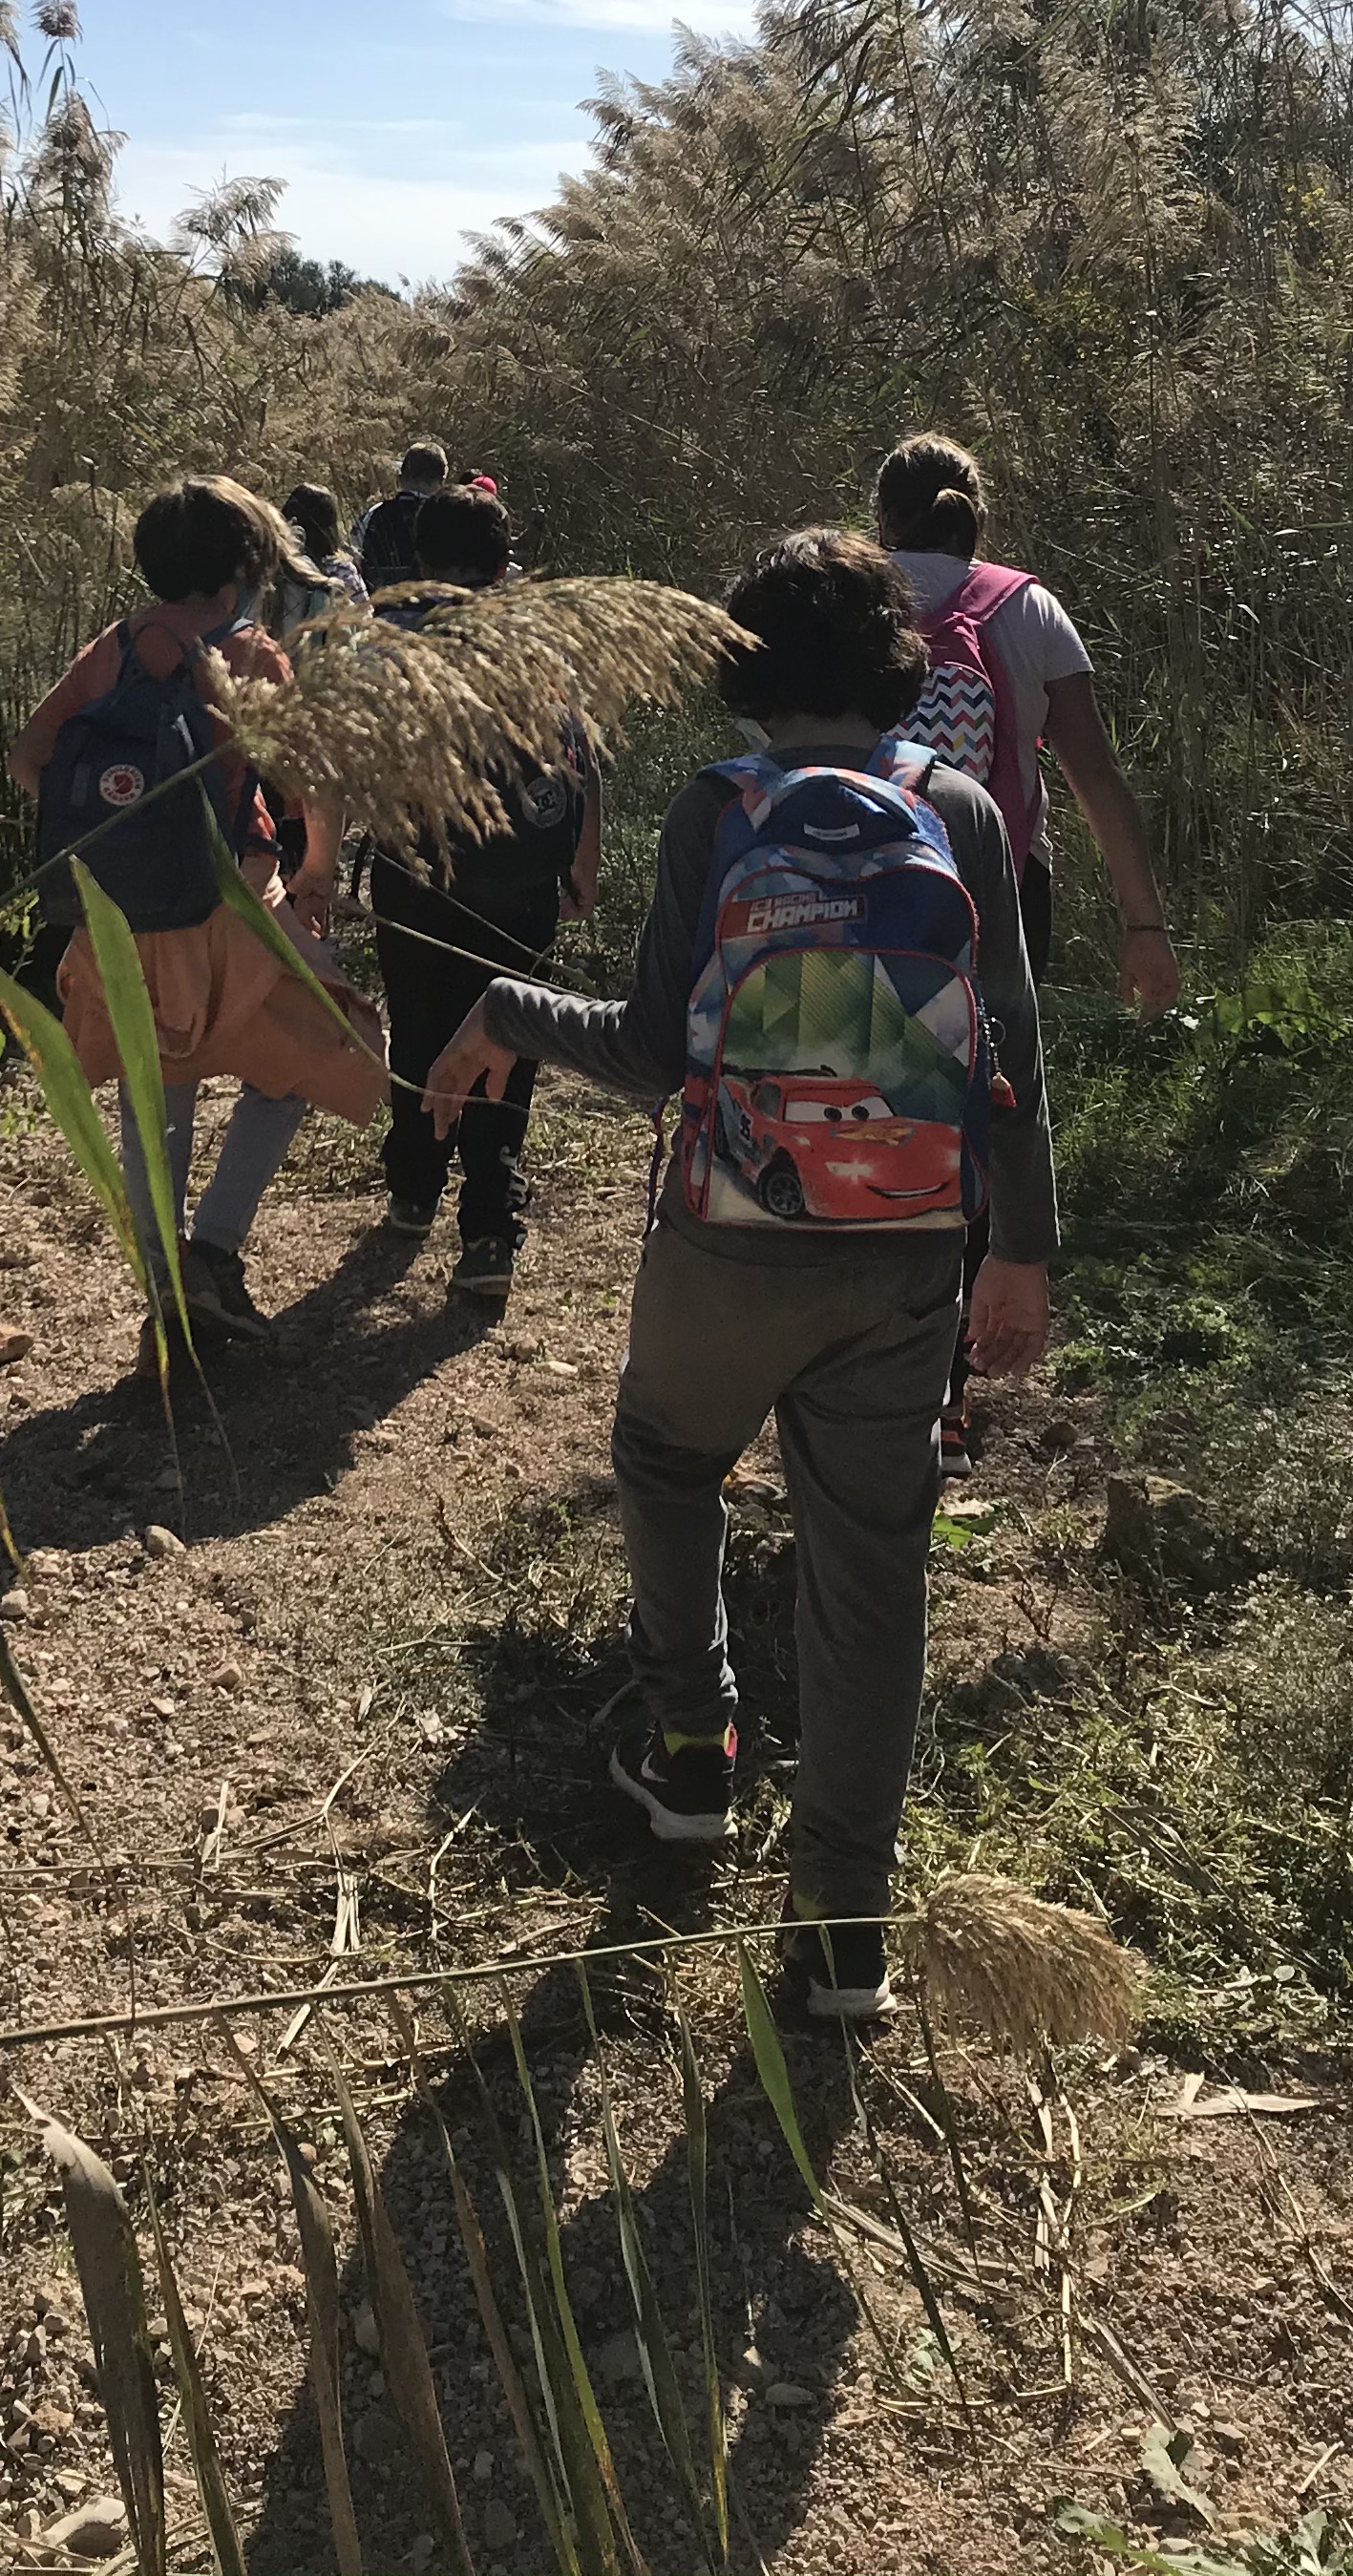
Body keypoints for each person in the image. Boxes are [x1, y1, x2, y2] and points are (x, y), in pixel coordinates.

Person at [424, 530, 1055, 2020]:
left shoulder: (722, 808)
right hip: (907, 1245)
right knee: (872, 1567)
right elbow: (1012, 1055)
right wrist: (1020, 1251)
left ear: (745, 671)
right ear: (899, 667)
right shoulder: (954, 806)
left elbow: (652, 1054)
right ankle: (843, 1930)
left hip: (730, 1221)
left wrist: (506, 1009)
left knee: (665, 1455)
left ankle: (692, 1750)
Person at [8, 475, 384, 1358]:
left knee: (158, 1093)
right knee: (328, 1051)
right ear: (247, 566)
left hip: (122, 912)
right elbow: (309, 789)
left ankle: (168, 1289)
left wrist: (113, 830)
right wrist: (319, 878)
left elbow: (31, 759)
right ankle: (211, 1252)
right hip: (230, 906)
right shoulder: (249, 652)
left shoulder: (116, 645)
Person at [874, 431, 1175, 1473]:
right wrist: (1145, 926)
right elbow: (1093, 777)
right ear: (977, 516)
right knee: (975, 1119)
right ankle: (943, 1404)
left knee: (849, 1098)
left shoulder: (842, 591)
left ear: (883, 518)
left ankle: (845, 1375)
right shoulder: (1027, 609)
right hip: (997, 893)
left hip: (852, 890)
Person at [368, 485, 601, 1310]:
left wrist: (319, 868)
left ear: (418, 555)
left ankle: (412, 1187)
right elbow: (579, 757)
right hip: (521, 880)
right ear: (504, 562)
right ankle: (490, 1230)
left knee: (420, 1028)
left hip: (412, 871)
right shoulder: (537, 637)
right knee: (511, 1037)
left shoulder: (385, 632)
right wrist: (583, 861)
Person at [274, 481, 367, 644]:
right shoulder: (342, 571)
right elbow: (364, 621)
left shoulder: (272, 568)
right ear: (331, 527)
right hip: (327, 659)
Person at [353, 440, 450, 591]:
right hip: (441, 608)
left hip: (381, 608)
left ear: (400, 478)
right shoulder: (451, 516)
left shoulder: (372, 515)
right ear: (441, 481)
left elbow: (354, 563)